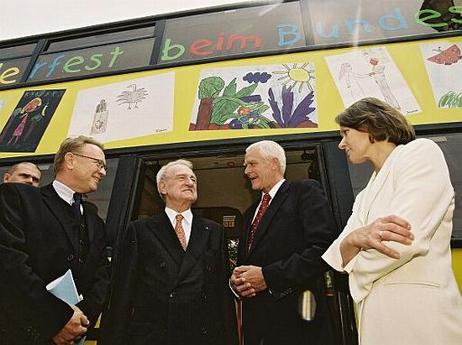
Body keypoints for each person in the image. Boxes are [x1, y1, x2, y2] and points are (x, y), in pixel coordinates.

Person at [322, 97, 462, 345]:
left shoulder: (420, 153)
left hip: (419, 316)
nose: (341, 144)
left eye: (345, 133)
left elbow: (403, 242)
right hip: (377, 317)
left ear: (368, 126)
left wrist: (353, 263)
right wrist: (355, 239)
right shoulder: (365, 193)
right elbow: (337, 256)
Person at [99, 159, 237, 345]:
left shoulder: (214, 231)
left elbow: (222, 295)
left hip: (202, 335)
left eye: (193, 179)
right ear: (162, 187)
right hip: (154, 336)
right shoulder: (140, 230)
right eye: (182, 178)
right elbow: (123, 293)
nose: (190, 182)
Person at [0, 135, 110, 345]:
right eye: (99, 164)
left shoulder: (95, 221)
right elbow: (10, 264)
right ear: (70, 160)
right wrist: (58, 319)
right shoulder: (19, 198)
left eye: (105, 167)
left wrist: (79, 321)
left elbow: (103, 276)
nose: (103, 172)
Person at [230, 140, 338, 345]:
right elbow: (248, 264)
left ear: (273, 163)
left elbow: (324, 249)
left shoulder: (304, 192)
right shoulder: (249, 213)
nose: (246, 171)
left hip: (299, 325)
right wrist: (237, 282)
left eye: (252, 164)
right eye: (246, 165)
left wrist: (268, 276)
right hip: (259, 329)